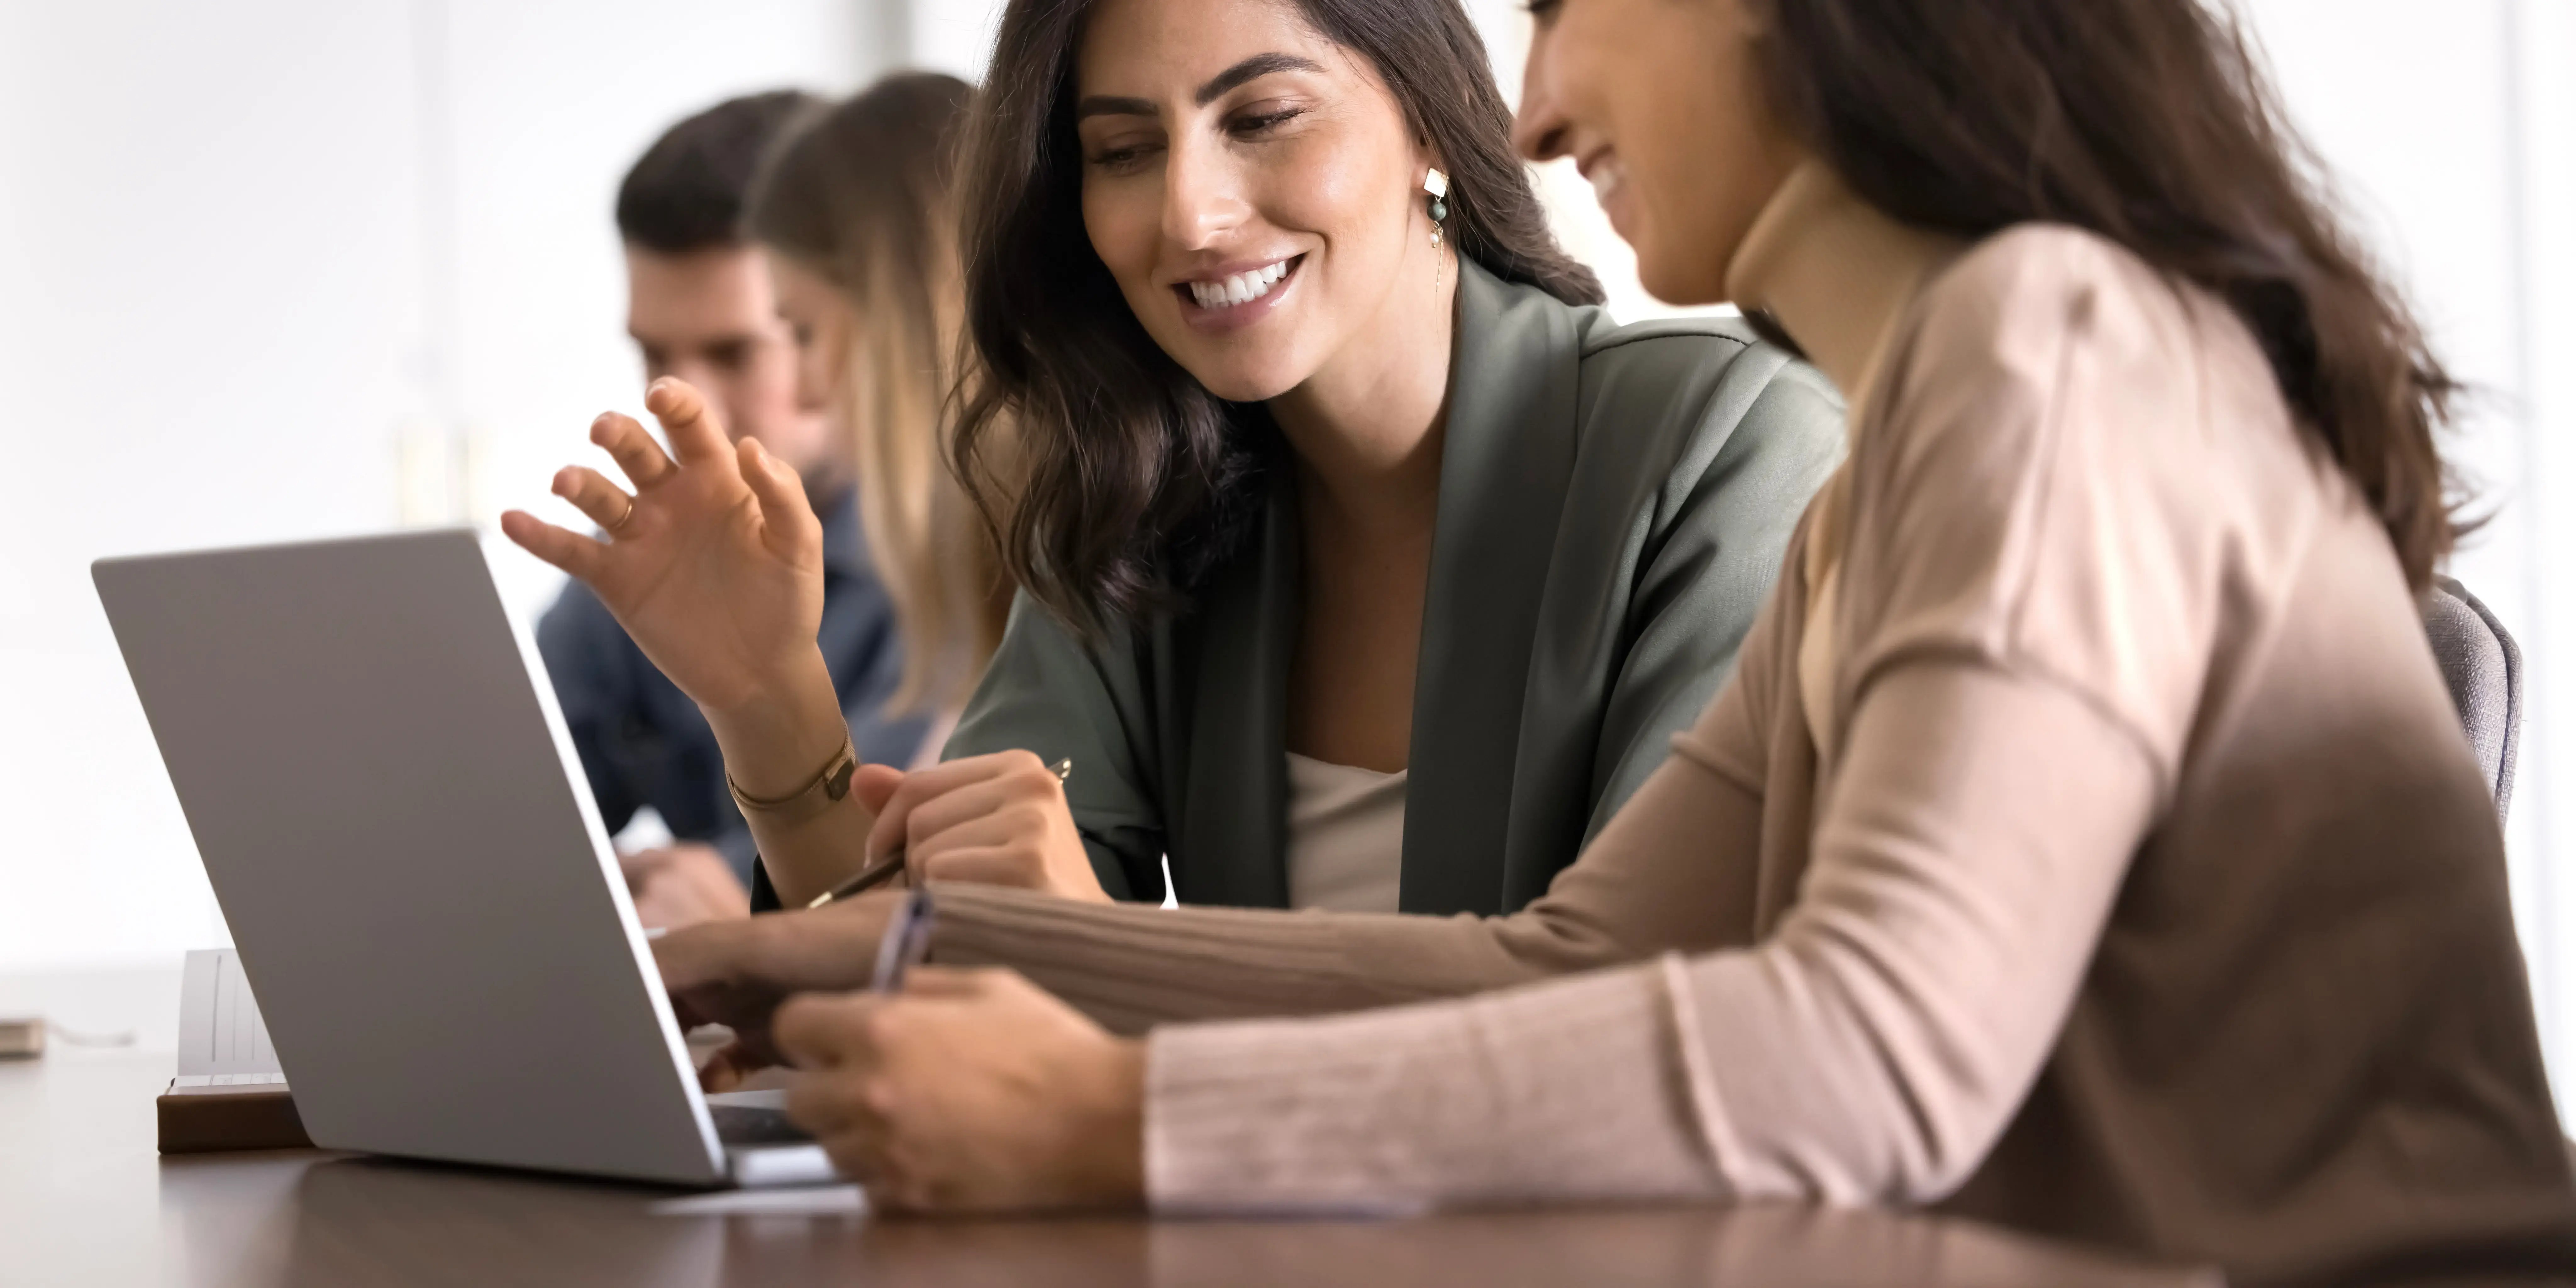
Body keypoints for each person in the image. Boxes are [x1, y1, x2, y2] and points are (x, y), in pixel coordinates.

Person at [585, 0, 2576, 1280]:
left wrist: (1120, 1116)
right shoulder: (1922, 433)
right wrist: (866, 936)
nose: (1534, 101)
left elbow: (1866, 1056)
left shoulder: (2036, 339)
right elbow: (1589, 958)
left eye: (1562, 9)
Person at [504, 0, 1847, 921]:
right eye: (1122, 151)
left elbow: (1623, 999)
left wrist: (1108, 948)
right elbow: (927, 982)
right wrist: (766, 700)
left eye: (1260, 117)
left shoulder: (1726, 441)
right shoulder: (1140, 493)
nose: (1191, 216)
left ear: (1434, 124)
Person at [539, 91, 926, 929]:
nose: (681, 402)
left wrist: (726, 889)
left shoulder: (967, 565)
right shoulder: (639, 564)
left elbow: (896, 859)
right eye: (652, 352)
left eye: (736, 351)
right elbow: (512, 818)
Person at [743, 73, 1010, 766]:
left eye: (802, 332)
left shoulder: (1054, 569)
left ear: (894, 307)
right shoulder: (974, 580)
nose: (804, 394)